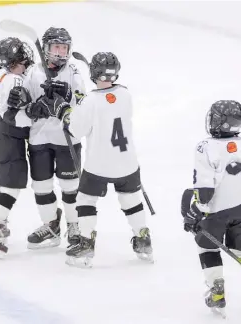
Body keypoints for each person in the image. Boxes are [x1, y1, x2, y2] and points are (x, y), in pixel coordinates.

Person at [32, 52, 153, 267]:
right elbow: (107, 104)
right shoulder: (125, 94)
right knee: (131, 200)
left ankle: (86, 244)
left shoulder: (90, 102)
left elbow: (75, 129)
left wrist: (62, 109)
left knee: (86, 200)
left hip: (100, 164)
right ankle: (143, 238)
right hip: (128, 162)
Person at [180, 100, 241, 314]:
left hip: (215, 213)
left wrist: (194, 214)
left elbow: (204, 192)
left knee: (207, 247)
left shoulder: (205, 147)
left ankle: (217, 291)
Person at [8, 27, 86, 249]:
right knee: (41, 186)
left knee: (70, 185)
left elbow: (83, 101)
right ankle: (51, 226)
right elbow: (24, 99)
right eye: (56, 47)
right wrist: (24, 101)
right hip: (39, 138)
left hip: (66, 138)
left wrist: (69, 95)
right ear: (46, 48)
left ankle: (74, 225)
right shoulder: (33, 72)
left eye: (64, 47)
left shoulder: (73, 71)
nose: (61, 52)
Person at [0, 37, 47, 257]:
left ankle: (0, 223)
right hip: (8, 139)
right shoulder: (14, 82)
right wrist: (33, 113)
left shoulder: (7, 77)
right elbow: (11, 117)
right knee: (11, 187)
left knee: (4, 183)